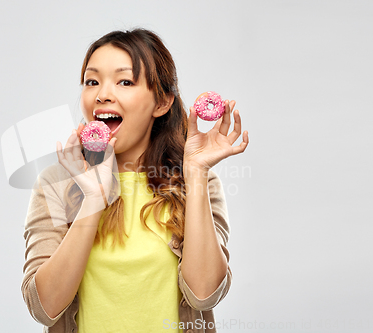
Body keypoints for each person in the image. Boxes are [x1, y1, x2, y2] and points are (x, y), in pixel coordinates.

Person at [21, 28, 249, 333]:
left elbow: (205, 294)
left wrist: (195, 173)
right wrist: (93, 199)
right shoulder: (56, 183)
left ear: (162, 102)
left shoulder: (198, 183)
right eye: (92, 81)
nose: (102, 94)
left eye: (124, 81)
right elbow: (44, 308)